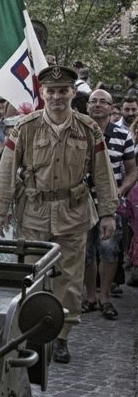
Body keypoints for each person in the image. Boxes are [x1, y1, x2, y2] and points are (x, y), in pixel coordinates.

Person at [0, 65, 118, 364]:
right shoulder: (26, 127)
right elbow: (6, 171)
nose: (57, 96)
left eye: (63, 91)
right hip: (34, 211)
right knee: (33, 275)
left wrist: (108, 212)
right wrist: (0, 210)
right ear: (42, 93)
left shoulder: (88, 128)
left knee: (69, 279)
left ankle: (61, 336)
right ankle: (33, 333)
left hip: (73, 213)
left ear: (73, 93)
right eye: (52, 91)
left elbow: (103, 173)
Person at [81, 90, 136, 318]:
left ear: (112, 108)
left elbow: (133, 171)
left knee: (109, 250)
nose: (97, 105)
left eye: (103, 102)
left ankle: (105, 298)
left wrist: (120, 192)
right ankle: (90, 297)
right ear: (87, 106)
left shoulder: (123, 135)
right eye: (93, 101)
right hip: (82, 203)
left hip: (110, 204)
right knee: (85, 252)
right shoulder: (78, 132)